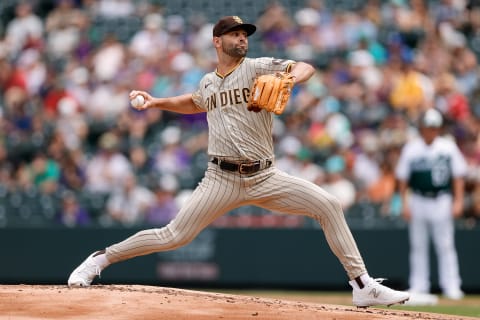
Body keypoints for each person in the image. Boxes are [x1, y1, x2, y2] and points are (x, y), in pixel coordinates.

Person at [68, 15, 409, 308]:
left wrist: (288, 78)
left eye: (245, 33)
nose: (242, 37)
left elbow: (306, 67)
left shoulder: (258, 68)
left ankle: (362, 286)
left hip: (265, 175)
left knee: (329, 205)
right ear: (217, 41)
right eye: (235, 33)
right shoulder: (207, 82)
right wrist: (156, 102)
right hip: (221, 178)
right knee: (172, 235)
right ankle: (101, 258)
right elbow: (194, 101)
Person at [395, 108, 467, 300]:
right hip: (418, 198)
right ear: (422, 128)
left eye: (434, 127)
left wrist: (458, 200)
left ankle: (452, 286)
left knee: (445, 244)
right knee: (418, 245)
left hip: (441, 199)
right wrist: (404, 203)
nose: (431, 130)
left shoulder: (448, 147)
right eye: (428, 127)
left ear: (439, 128)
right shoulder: (412, 148)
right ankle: (419, 285)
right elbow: (402, 179)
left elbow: (458, 176)